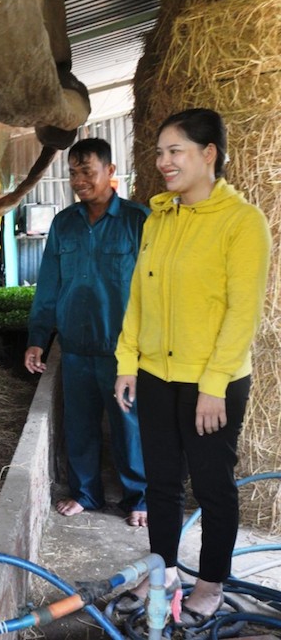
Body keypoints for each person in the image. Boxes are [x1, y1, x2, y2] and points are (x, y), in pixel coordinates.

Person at [113, 108, 270, 624]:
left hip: (211, 382)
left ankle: (210, 582)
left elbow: (240, 312)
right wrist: (128, 361)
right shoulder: (160, 217)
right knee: (160, 483)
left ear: (209, 155)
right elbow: (140, 297)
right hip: (157, 375)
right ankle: (162, 570)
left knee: (211, 484)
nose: (162, 162)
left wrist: (214, 386)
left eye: (174, 151)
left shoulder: (242, 224)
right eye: (159, 152)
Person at [25, 138, 149, 526]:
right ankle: (86, 493)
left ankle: (139, 497)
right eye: (73, 173)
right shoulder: (64, 223)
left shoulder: (137, 220)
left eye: (87, 171)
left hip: (123, 349)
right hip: (76, 345)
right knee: (79, 424)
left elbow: (154, 287)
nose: (79, 180)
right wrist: (38, 336)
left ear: (111, 172)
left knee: (129, 425)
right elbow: (49, 284)